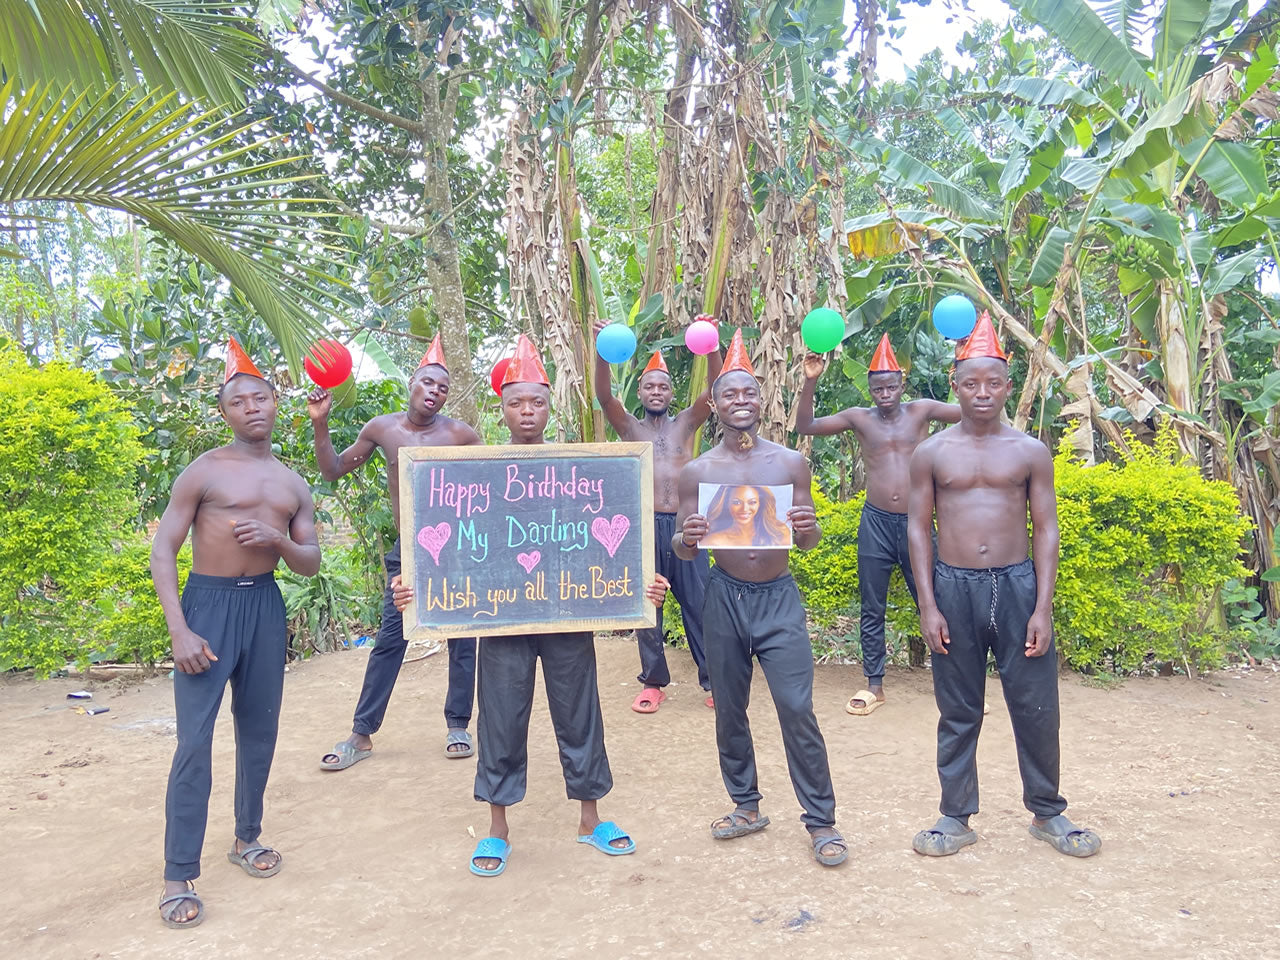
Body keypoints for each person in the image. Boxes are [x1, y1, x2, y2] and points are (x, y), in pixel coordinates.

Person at [383, 334, 667, 877]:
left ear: (549, 407)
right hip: (501, 618)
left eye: (537, 401)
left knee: (580, 714)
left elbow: (609, 544)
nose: (528, 411)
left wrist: (640, 585)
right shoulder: (478, 471)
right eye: (517, 402)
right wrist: (414, 587)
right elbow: (454, 551)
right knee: (500, 719)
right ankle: (498, 829)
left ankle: (590, 820)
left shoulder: (580, 469)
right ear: (503, 409)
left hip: (569, 615)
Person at [906, 313, 1101, 859]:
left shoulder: (1029, 451)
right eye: (971, 383)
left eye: (993, 383)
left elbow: (1046, 528)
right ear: (955, 385)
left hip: (1017, 587)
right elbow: (918, 528)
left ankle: (1048, 811)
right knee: (958, 708)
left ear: (1008, 386)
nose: (982, 393)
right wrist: (928, 605)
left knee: (1036, 703)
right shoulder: (932, 453)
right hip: (953, 587)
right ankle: (955, 815)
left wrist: (1043, 606)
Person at [150, 338, 322, 928]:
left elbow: (310, 562)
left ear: (276, 402)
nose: (252, 408)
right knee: (194, 741)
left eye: (260, 398)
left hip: (264, 608)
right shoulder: (205, 470)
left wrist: (278, 541)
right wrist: (180, 628)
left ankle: (247, 836)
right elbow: (164, 549)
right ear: (224, 412)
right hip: (209, 606)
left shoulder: (292, 484)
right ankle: (178, 872)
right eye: (238, 401)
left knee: (259, 731)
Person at [673, 329, 846, 868]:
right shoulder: (698, 471)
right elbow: (681, 548)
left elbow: (807, 541)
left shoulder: (790, 463)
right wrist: (689, 537)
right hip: (723, 597)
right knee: (730, 707)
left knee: (796, 707)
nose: (740, 400)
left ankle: (821, 820)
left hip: (777, 598)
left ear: (761, 400)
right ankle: (745, 805)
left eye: (749, 392)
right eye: (730, 393)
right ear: (715, 405)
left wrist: (809, 528)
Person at [309, 335, 483, 770]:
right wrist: (320, 423)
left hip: (458, 550)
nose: (434, 392)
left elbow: (492, 486)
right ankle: (361, 733)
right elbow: (332, 470)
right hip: (409, 553)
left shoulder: (461, 436)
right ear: (412, 383)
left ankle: (458, 724)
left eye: (443, 388)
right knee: (391, 638)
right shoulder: (382, 429)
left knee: (463, 638)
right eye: (428, 382)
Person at [794, 333, 960, 716]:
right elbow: (805, 426)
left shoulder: (922, 410)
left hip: (918, 521)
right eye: (878, 388)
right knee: (872, 606)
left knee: (937, 600)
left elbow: (971, 411)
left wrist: (961, 373)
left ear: (902, 384)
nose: (885, 394)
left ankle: (954, 684)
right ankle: (874, 685)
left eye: (891, 386)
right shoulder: (860, 418)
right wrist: (811, 380)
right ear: (869, 389)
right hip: (876, 522)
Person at [594, 318, 723, 713]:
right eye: (649, 386)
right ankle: (653, 682)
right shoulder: (629, 428)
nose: (655, 391)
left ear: (671, 393)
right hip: (645, 527)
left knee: (699, 603)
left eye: (662, 386)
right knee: (648, 606)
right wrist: (602, 351)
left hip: (686, 526)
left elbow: (716, 389)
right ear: (640, 392)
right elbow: (604, 396)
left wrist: (712, 347)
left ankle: (713, 680)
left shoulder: (686, 423)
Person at [700, 483, 791, 548]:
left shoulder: (779, 532)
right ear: (726, 503)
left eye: (752, 502)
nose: (744, 509)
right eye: (737, 502)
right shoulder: (713, 540)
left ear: (760, 503)